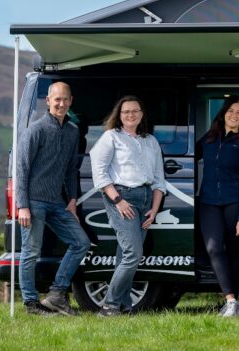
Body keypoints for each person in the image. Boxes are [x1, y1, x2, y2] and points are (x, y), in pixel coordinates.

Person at [16, 81, 91, 316]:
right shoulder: (36, 130)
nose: (61, 103)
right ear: (48, 101)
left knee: (81, 242)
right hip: (34, 201)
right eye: (56, 99)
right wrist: (23, 205)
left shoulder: (72, 132)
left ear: (70, 102)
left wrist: (72, 200)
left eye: (65, 99)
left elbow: (71, 170)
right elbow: (21, 168)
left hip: (59, 203)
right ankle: (31, 303)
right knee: (31, 251)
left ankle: (57, 294)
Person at [90, 95, 167, 317]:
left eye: (135, 111)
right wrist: (118, 201)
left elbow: (158, 180)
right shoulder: (111, 137)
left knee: (125, 254)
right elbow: (100, 174)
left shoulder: (150, 141)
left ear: (142, 114)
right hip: (121, 197)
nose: (130, 115)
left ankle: (123, 305)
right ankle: (109, 305)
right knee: (134, 253)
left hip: (145, 199)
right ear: (119, 115)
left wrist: (155, 208)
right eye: (126, 112)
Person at [197, 95, 239, 317]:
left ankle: (238, 297)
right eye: (231, 111)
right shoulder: (210, 139)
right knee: (213, 247)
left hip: (234, 203)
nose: (234, 115)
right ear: (224, 113)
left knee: (234, 251)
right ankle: (230, 300)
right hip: (208, 202)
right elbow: (187, 157)